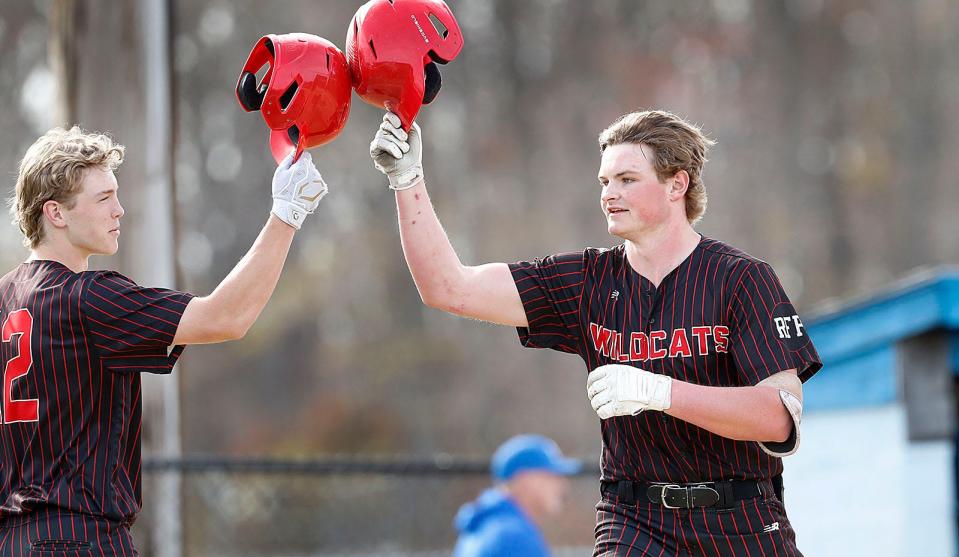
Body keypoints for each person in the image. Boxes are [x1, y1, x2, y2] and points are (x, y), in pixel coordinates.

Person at [370, 110, 822, 556]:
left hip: (740, 520)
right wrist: (407, 180)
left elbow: (779, 417)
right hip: (635, 520)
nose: (609, 194)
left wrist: (660, 392)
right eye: (604, 182)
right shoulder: (588, 278)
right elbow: (449, 288)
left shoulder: (742, 279)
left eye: (627, 179)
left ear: (676, 185)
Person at [0, 126, 327, 554]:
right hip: (79, 540)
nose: (119, 210)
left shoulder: (5, 296)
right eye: (103, 199)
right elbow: (226, 317)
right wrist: (287, 213)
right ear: (56, 213)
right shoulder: (87, 297)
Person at [453, 434, 581, 557]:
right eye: (552, 476)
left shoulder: (490, 524)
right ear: (525, 479)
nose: (563, 486)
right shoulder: (513, 538)